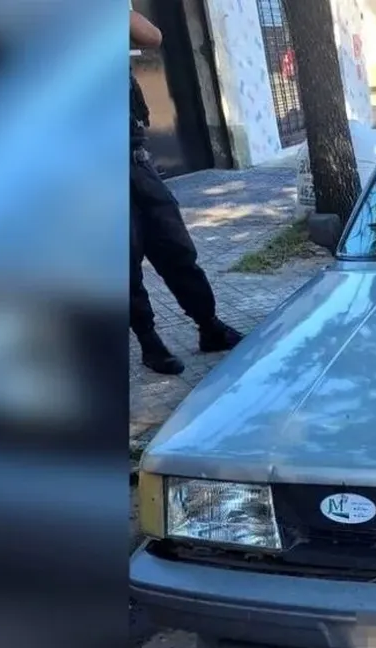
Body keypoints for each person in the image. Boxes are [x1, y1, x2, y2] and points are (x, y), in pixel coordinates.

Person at [130, 10, 241, 375]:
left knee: (175, 246)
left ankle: (208, 326)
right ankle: (149, 343)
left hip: (134, 161)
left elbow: (152, 36)